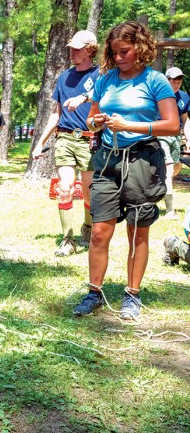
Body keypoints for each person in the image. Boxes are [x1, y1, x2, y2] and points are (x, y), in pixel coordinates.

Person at [71, 21, 179, 320]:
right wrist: (98, 123)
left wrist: (129, 125)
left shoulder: (155, 80)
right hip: (107, 160)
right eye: (114, 52)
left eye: (125, 51)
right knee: (99, 232)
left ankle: (132, 294)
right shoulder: (105, 80)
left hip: (144, 161)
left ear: (140, 48)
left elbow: (172, 124)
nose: (119, 58)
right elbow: (90, 121)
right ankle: (94, 293)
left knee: (137, 233)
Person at [32, 30, 100, 256]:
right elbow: (55, 114)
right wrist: (40, 142)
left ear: (90, 50)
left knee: (90, 193)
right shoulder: (63, 77)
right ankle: (67, 239)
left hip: (90, 141)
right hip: (64, 139)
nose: (71, 51)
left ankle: (88, 227)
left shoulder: (101, 75)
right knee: (65, 188)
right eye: (71, 47)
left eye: (77, 48)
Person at [158, 67, 188, 219]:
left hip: (176, 138)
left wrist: (188, 138)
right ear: (166, 80)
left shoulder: (183, 96)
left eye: (179, 81)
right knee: (169, 171)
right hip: (160, 136)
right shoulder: (158, 95)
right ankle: (170, 211)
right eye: (173, 81)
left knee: (175, 169)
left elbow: (185, 120)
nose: (176, 84)